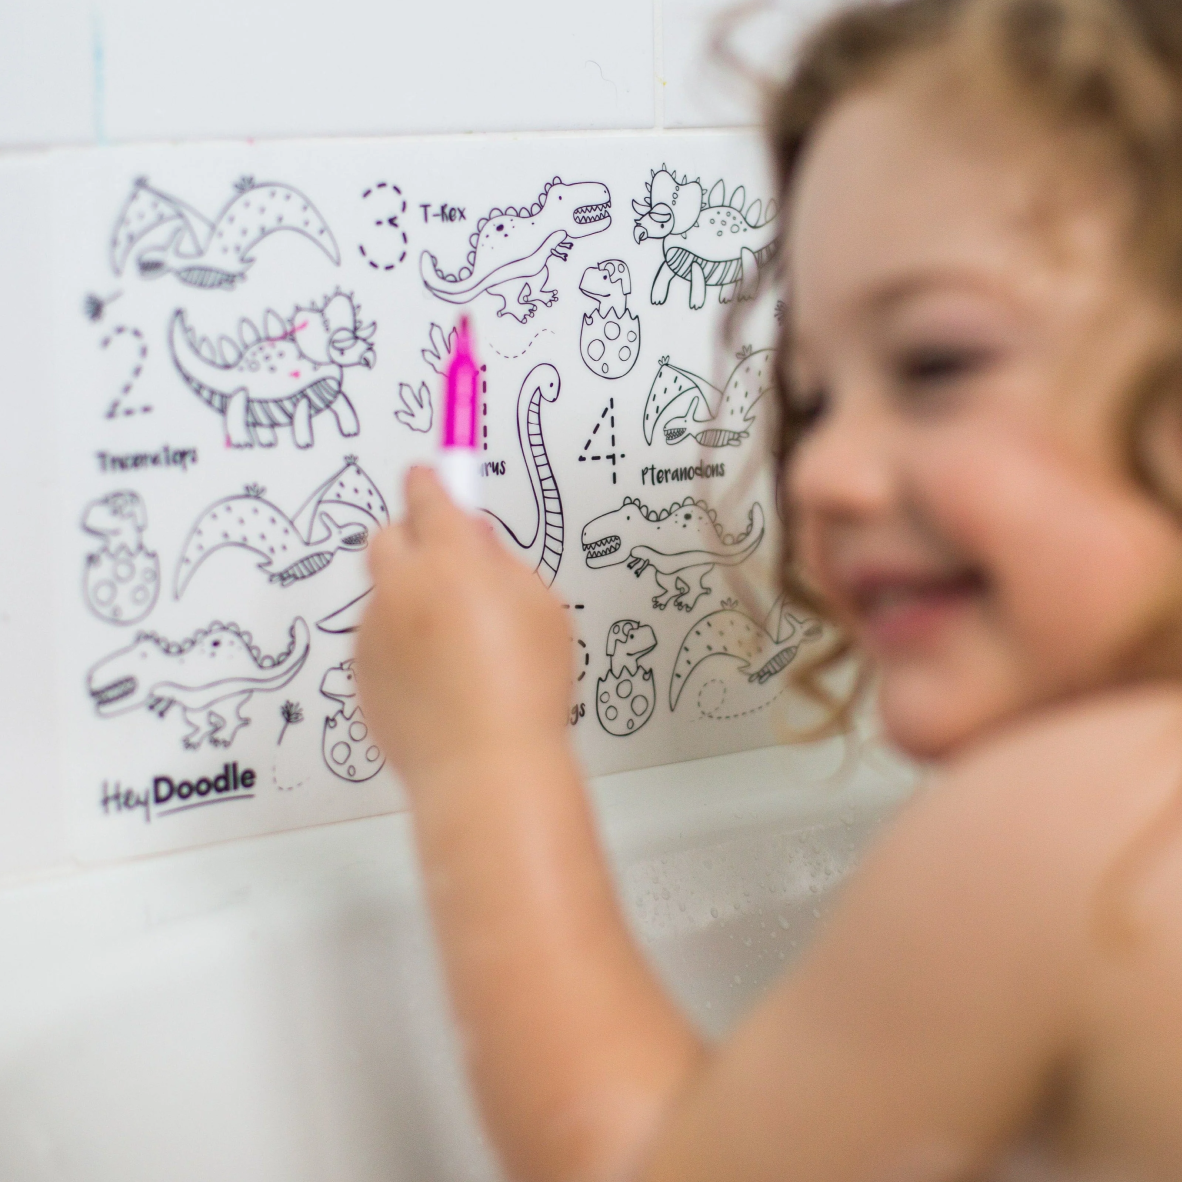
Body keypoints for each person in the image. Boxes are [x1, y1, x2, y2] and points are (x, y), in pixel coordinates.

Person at [354, 0, 1182, 1177]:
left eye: (937, 362)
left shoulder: (1076, 829)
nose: (824, 469)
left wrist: (480, 753)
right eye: (817, 397)